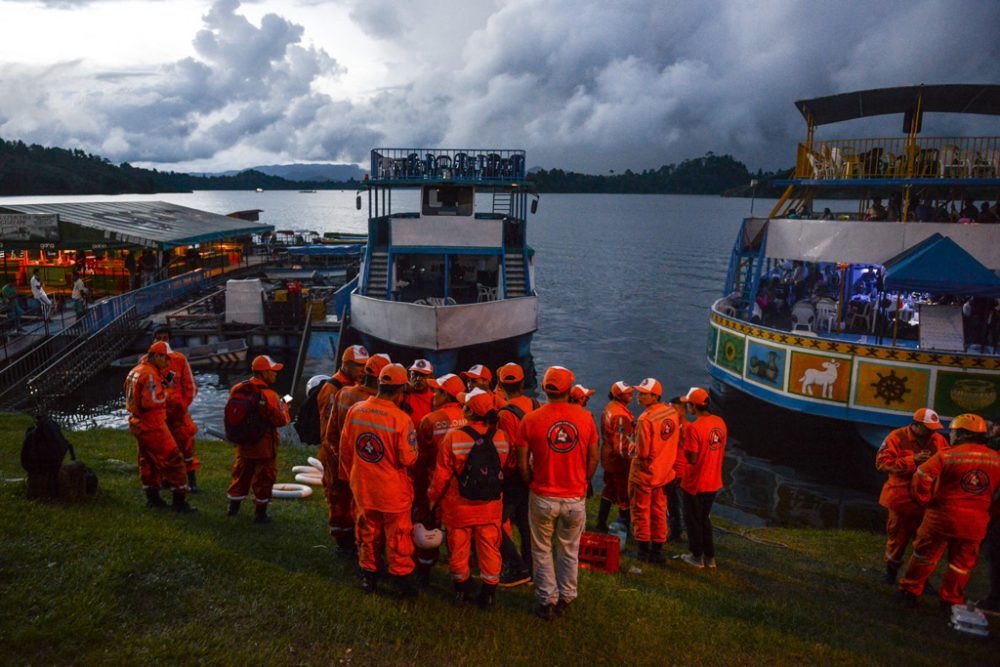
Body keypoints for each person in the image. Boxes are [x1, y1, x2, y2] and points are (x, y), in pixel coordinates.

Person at [517, 365, 599, 620]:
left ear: (545, 388)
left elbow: (522, 462)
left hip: (543, 494)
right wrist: (583, 481)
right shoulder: (585, 418)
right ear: (569, 390)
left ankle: (546, 600)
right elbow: (593, 456)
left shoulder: (530, 419)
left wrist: (531, 481)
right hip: (574, 495)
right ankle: (566, 597)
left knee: (541, 549)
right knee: (569, 549)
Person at [897, 414, 1000, 608]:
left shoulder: (947, 455)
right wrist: (987, 509)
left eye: (952, 432)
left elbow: (922, 476)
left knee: (924, 557)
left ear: (961, 434)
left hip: (941, 517)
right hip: (975, 522)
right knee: (961, 565)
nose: (950, 435)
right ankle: (950, 600)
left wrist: (925, 499)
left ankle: (909, 592)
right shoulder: (996, 459)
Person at [340, 363, 419, 597]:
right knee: (398, 536)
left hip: (363, 487)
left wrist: (354, 476)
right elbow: (408, 459)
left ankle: (369, 576)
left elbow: (345, 450)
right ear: (401, 388)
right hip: (391, 491)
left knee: (367, 532)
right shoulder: (401, 419)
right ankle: (401, 579)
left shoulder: (356, 410)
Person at [428, 388, 510, 609]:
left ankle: (461, 593)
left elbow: (442, 476)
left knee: (458, 549)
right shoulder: (501, 437)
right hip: (490, 506)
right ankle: (489, 595)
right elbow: (505, 467)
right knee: (489, 549)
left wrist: (432, 500)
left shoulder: (453, 437)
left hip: (459, 507)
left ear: (470, 412)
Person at [321, 353, 391, 555]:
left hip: (342, 459)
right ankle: (360, 547)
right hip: (366, 466)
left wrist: (339, 456)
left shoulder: (344, 393)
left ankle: (344, 543)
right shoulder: (383, 406)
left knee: (342, 503)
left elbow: (330, 432)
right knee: (362, 508)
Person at [875, 408, 950, 584]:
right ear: (915, 425)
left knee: (925, 543)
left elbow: (948, 462)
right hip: (901, 500)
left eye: (934, 428)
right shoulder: (896, 437)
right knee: (897, 540)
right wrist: (913, 461)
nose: (932, 431)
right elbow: (881, 464)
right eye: (928, 427)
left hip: (927, 501)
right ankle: (890, 572)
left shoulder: (939, 440)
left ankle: (920, 579)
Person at [123, 341, 194, 513]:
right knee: (174, 460)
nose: (168, 362)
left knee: (147, 461)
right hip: (152, 424)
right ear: (156, 356)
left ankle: (153, 498)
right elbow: (152, 401)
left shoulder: (136, 371)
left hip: (138, 423)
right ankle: (179, 502)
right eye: (166, 358)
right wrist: (167, 394)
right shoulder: (149, 375)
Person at [413, 373, 468, 585]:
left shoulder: (430, 421)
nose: (432, 394)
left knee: (427, 528)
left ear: (446, 395)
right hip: (462, 487)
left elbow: (420, 460)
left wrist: (418, 490)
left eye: (436, 391)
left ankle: (424, 571)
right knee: (460, 533)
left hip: (434, 485)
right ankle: (460, 576)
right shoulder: (470, 417)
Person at [225, 355, 291, 524]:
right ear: (264, 373)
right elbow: (282, 420)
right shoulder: (270, 394)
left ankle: (232, 509)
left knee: (240, 476)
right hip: (263, 447)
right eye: (273, 371)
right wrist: (284, 404)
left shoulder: (238, 388)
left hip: (244, 444)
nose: (276, 374)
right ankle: (260, 515)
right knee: (264, 479)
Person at [628, 378, 682, 564]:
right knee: (659, 511)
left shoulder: (645, 419)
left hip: (645, 475)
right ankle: (657, 551)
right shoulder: (671, 412)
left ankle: (643, 552)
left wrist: (631, 444)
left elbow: (642, 453)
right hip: (665, 473)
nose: (639, 396)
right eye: (639, 392)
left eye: (643, 393)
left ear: (655, 395)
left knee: (641, 511)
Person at [494, 362, 539, 587]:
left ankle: (516, 566)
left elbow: (507, 449)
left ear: (501, 385)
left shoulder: (504, 414)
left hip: (513, 477)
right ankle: (531, 570)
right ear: (522, 383)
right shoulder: (535, 404)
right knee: (526, 524)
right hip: (531, 473)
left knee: (494, 523)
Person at [678, 387, 727, 569]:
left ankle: (696, 556)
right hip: (713, 480)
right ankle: (710, 558)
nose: (686, 407)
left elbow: (692, 458)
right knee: (704, 519)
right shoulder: (720, 422)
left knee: (693, 520)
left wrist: (682, 442)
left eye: (688, 404)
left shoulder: (694, 428)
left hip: (695, 482)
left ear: (693, 406)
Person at [150, 328, 200, 492]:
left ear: (170, 340)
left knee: (186, 445)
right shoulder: (146, 361)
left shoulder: (179, 359)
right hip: (159, 413)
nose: (163, 341)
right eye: (159, 338)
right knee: (162, 446)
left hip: (178, 413)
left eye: (165, 338)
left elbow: (190, 387)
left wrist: (182, 405)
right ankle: (165, 478)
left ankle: (191, 479)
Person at [314, 345, 368, 473]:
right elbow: (328, 428)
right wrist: (334, 454)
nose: (364, 370)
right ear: (346, 365)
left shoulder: (355, 384)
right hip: (335, 452)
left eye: (366, 365)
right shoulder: (332, 389)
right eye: (360, 365)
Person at [595, 381, 633, 533]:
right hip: (618, 462)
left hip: (608, 456)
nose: (631, 394)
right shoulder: (620, 415)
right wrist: (632, 460)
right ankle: (625, 528)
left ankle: (601, 523)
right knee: (624, 495)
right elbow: (622, 446)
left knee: (609, 490)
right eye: (628, 392)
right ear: (619, 395)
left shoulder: (610, 408)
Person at [665, 395, 687, 543]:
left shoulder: (687, 429)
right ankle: (675, 532)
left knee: (681, 505)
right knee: (672, 505)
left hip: (681, 473)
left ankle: (681, 531)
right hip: (671, 471)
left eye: (672, 408)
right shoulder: (671, 427)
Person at [401, 359, 435, 426]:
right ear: (409, 376)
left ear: (431, 377)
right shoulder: (402, 395)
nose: (418, 378)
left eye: (423, 375)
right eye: (415, 375)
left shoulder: (436, 398)